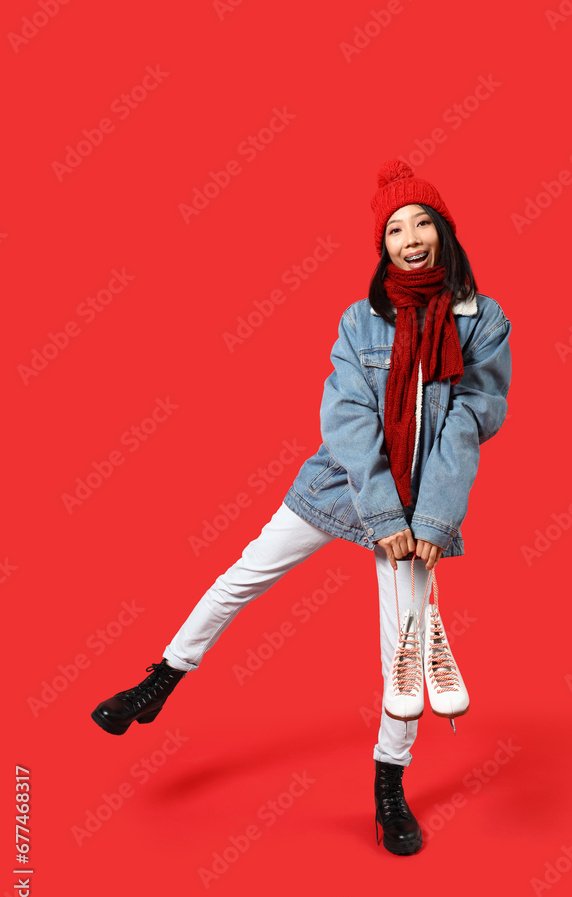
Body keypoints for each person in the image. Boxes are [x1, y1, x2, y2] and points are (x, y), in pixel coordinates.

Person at [91, 159, 512, 856]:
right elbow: (346, 419)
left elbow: (474, 418)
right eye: (394, 229)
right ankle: (160, 680)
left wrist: (430, 521)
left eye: (421, 224)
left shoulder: (482, 320)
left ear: (443, 232)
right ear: (382, 247)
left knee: (402, 657)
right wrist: (382, 516)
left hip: (417, 515)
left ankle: (388, 786)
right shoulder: (360, 319)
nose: (409, 237)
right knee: (240, 577)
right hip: (341, 487)